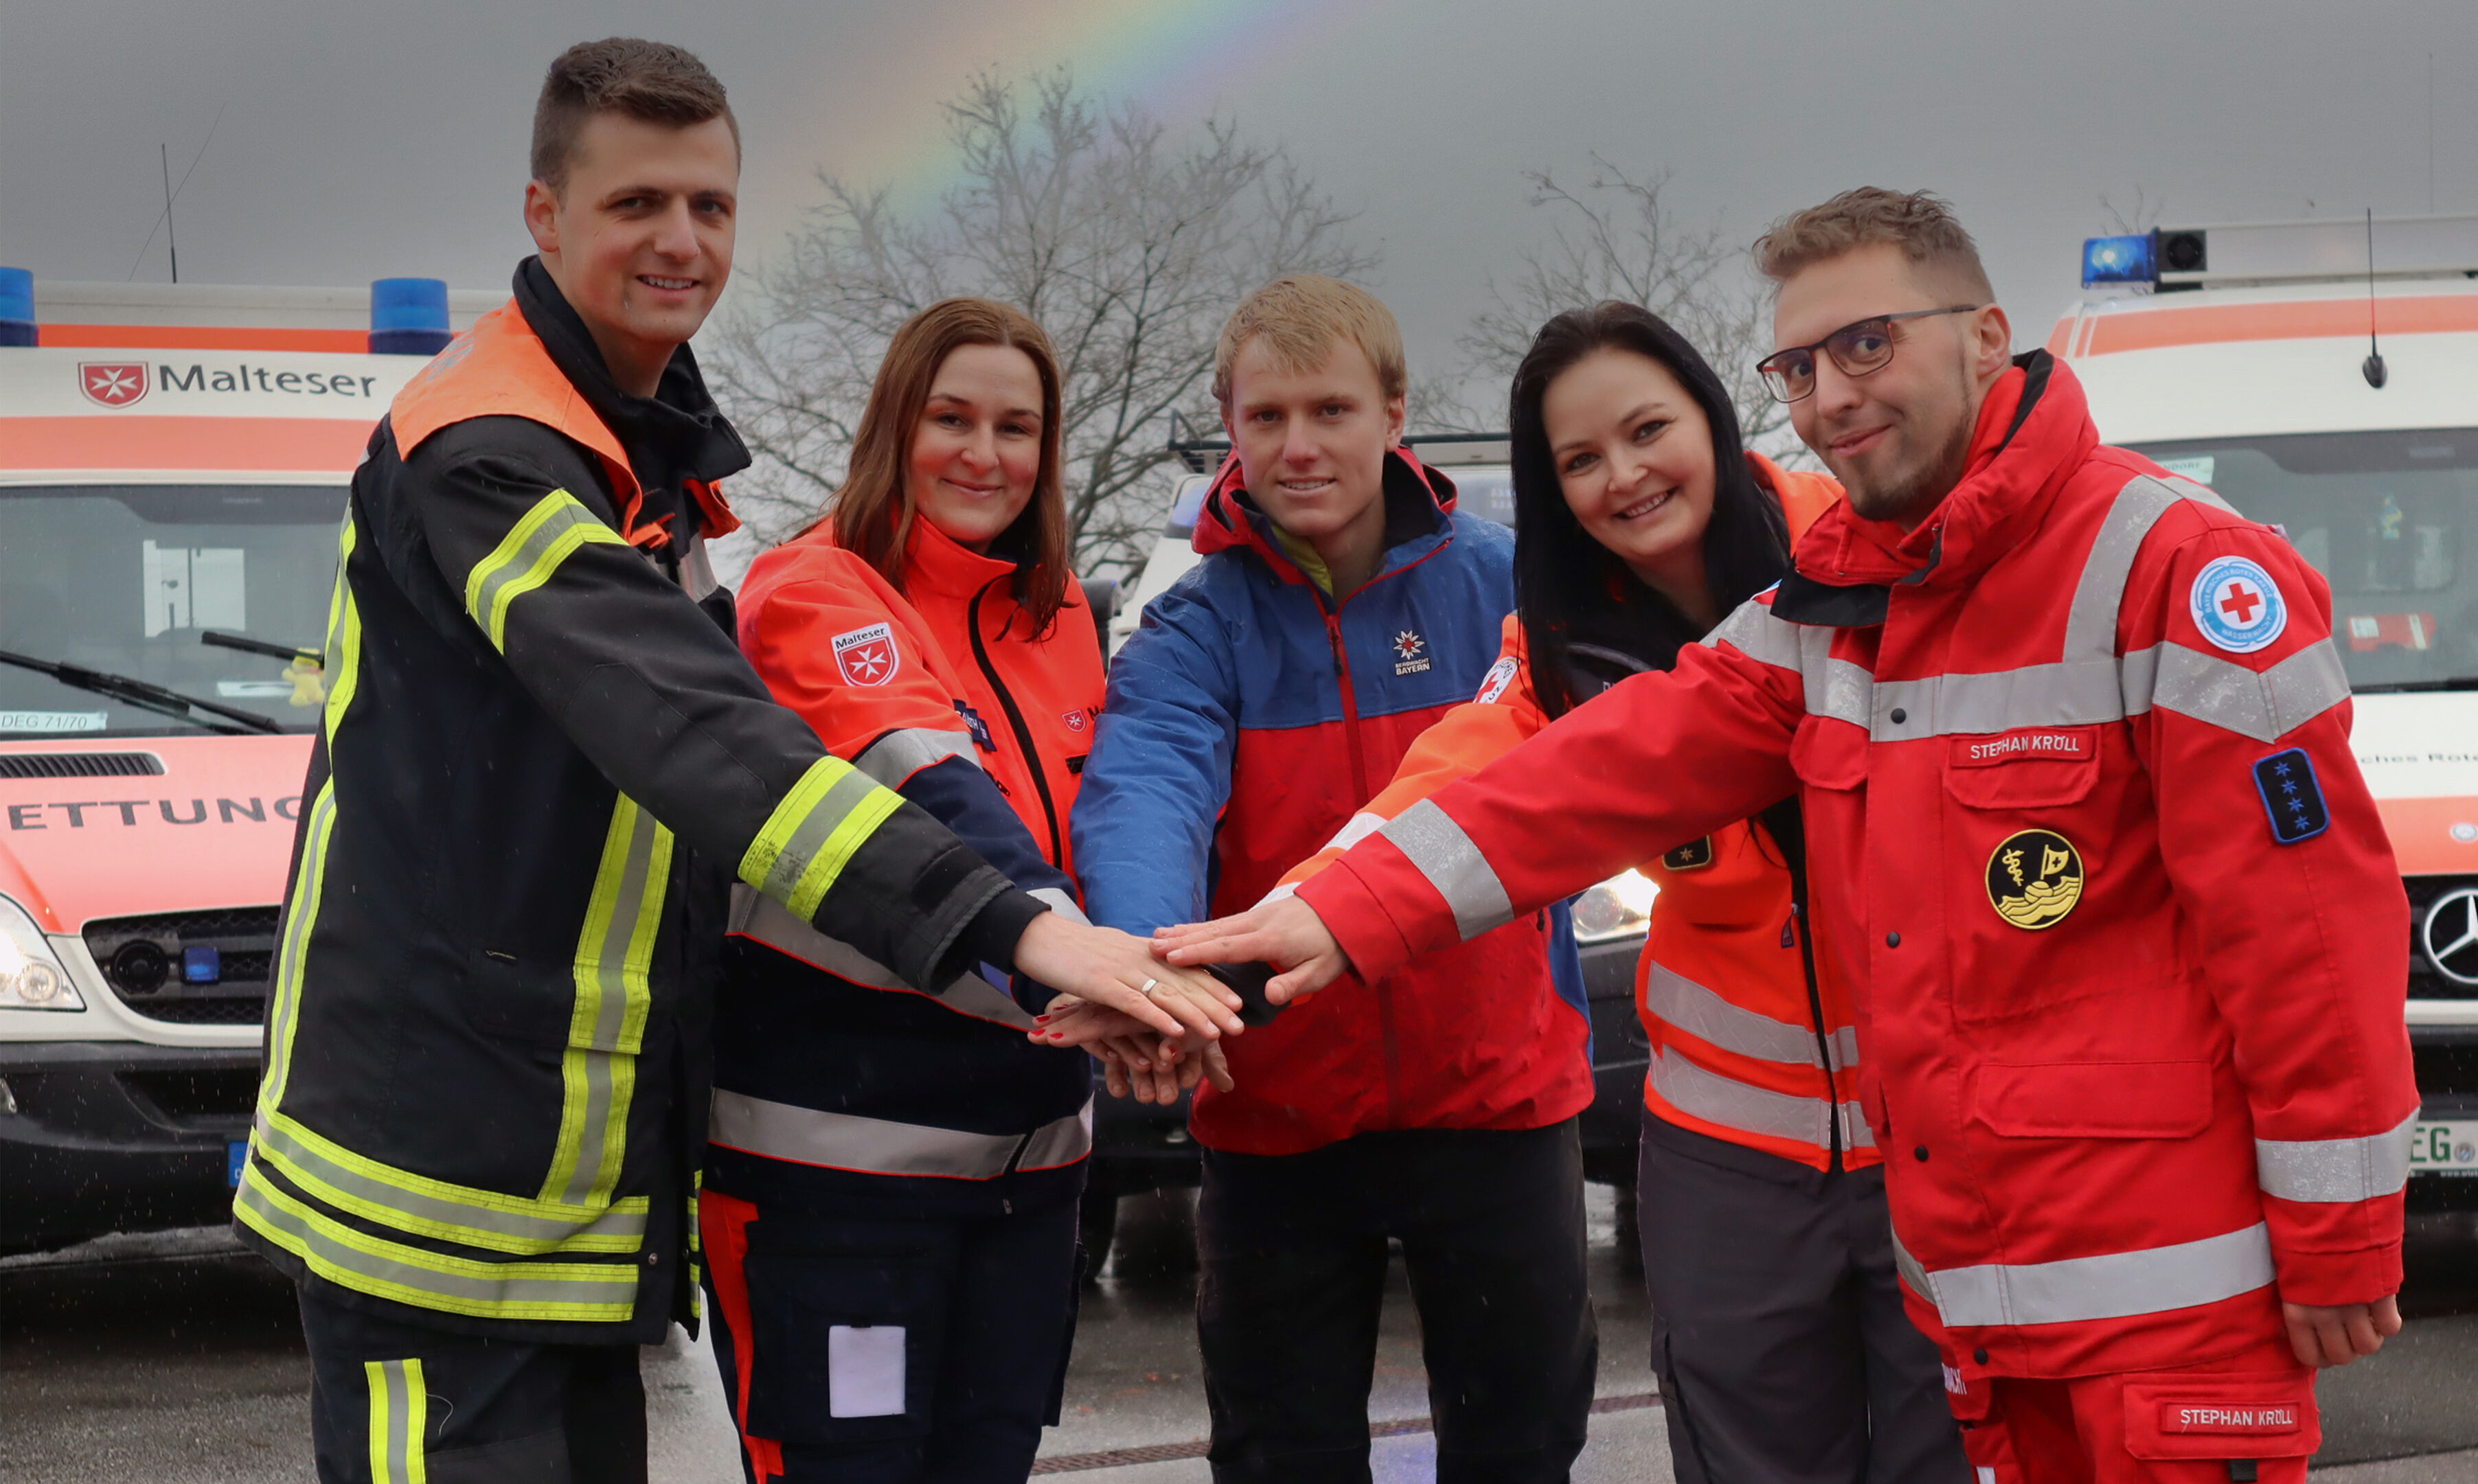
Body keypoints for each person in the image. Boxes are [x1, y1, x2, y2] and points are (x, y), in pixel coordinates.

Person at [1153, 190, 2420, 1484]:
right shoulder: (1832, 602)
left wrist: (2341, 1227)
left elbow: (2308, 935)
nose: (1832, 391)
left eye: (1869, 343)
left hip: (2155, 1281)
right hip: (1936, 1251)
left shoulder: (2176, 568)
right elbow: (1569, 780)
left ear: (1988, 335)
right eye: (1802, 365)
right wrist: (1318, 914)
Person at [232, 42, 1236, 1484]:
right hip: (438, 1170)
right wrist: (1033, 937)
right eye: (638, 200)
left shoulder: (639, 458)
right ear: (544, 214)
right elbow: (706, 742)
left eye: (710, 205)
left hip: (569, 1179)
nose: (681, 240)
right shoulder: (490, 450)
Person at [1244, 301, 1966, 1484]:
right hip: (1732, 1152)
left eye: (1647, 430)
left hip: (1934, 1123)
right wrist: (1308, 907)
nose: (1623, 477)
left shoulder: (1871, 559)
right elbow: (1467, 772)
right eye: (1579, 460)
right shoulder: (1561, 643)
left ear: (1716, 423)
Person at [1068, 275, 1600, 1481]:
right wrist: (1149, 968)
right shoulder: (1194, 623)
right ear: (1230, 424)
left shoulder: (1509, 583)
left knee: (1522, 1448)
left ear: (1395, 413)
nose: (1298, 447)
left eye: (1331, 411)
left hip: (1500, 1102)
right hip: (1280, 1114)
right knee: (1280, 1455)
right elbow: (1145, 788)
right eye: (1267, 420)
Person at [697, 297, 1205, 1483]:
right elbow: (936, 803)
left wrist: (1157, 975)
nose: (986, 455)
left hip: (1030, 1178)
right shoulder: (814, 591)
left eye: (1017, 427)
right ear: (894, 426)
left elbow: (1117, 830)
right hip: (839, 1184)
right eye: (953, 418)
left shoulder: (1063, 610)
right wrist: (1099, 968)